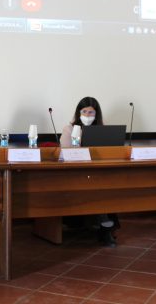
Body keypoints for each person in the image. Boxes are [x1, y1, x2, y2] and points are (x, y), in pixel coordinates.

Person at [60, 96, 119, 247]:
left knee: (106, 185)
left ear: (96, 114)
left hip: (97, 173)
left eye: (91, 113)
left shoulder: (104, 130)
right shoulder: (69, 129)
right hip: (74, 174)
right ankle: (105, 228)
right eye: (84, 112)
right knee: (96, 186)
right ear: (78, 112)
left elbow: (109, 154)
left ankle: (104, 226)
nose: (87, 116)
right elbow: (65, 153)